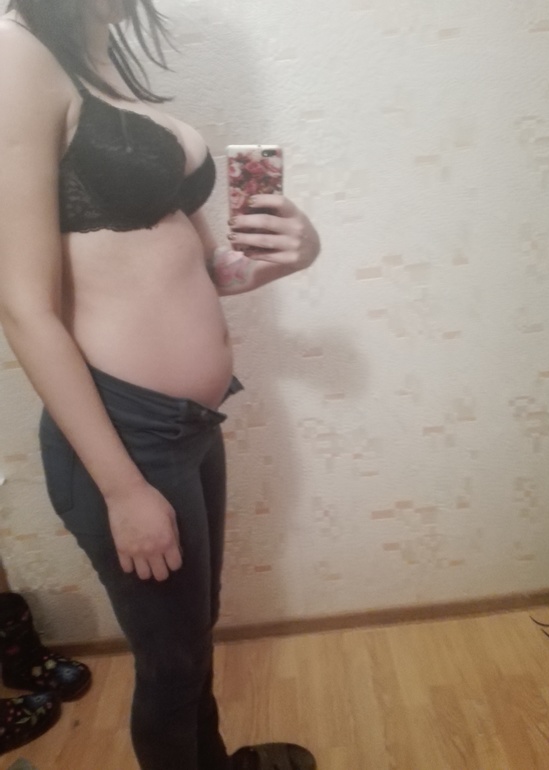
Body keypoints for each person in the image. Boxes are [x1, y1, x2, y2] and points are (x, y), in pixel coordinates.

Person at [0, 2, 321, 769]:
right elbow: (23, 307)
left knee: (191, 632)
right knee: (171, 662)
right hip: (125, 435)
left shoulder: (100, 62)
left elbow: (198, 269)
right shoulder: (17, 54)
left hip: (187, 425)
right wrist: (122, 491)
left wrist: (293, 253)